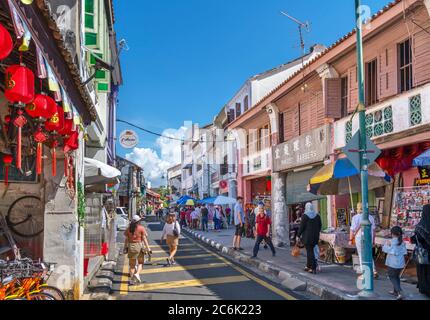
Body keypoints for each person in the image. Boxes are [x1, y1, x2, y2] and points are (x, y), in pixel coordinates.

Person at [349, 202, 379, 279]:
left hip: (360, 238)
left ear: (358, 208)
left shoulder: (355, 217)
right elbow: (374, 230)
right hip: (369, 237)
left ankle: (365, 273)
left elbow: (352, 230)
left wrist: (350, 239)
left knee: (361, 255)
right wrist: (373, 240)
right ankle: (373, 270)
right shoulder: (371, 217)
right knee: (369, 254)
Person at [123, 215, 150, 285]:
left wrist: (124, 248)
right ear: (138, 221)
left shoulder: (128, 229)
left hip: (131, 247)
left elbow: (126, 239)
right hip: (139, 247)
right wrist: (148, 248)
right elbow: (144, 239)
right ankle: (137, 274)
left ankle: (132, 280)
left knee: (132, 265)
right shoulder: (141, 228)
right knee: (140, 263)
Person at [383, 226, 407, 300]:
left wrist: (387, 245)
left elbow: (385, 250)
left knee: (392, 277)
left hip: (392, 263)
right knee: (396, 277)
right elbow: (405, 252)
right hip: (400, 263)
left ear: (392, 233)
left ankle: (400, 292)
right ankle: (395, 291)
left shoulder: (390, 241)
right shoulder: (402, 242)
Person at [297, 203, 322, 274]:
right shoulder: (317, 216)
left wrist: (298, 235)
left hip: (307, 237)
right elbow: (320, 226)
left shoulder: (305, 216)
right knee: (310, 251)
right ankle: (308, 266)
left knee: (310, 252)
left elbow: (302, 227)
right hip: (315, 237)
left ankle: (313, 268)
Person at [412, 204, 430, 297]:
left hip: (424, 254)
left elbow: (417, 238)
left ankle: (425, 289)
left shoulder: (421, 225)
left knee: (423, 272)